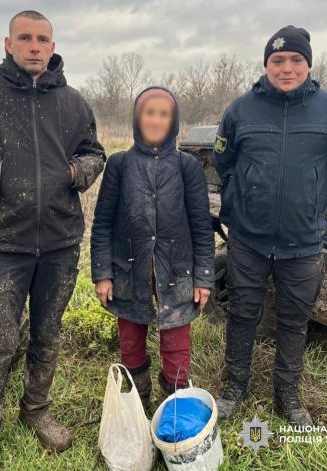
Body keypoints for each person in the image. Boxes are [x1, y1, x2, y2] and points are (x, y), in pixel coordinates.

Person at [0, 10, 105, 471]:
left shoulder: (73, 102)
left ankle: (36, 410)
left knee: (47, 336)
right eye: (25, 38)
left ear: (53, 46)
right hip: (0, 246)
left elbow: (94, 153)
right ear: (8, 44)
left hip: (59, 244)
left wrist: (73, 172)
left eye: (42, 39)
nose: (34, 46)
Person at [213, 25, 327, 426]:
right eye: (277, 60)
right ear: (266, 64)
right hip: (248, 241)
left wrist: (312, 194)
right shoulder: (240, 110)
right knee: (242, 314)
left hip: (303, 241)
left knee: (294, 320)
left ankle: (288, 394)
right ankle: (234, 387)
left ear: (308, 64)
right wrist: (243, 198)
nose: (286, 68)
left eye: (296, 60)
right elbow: (224, 162)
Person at [91, 87, 214, 408]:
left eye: (163, 114)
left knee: (176, 342)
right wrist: (103, 274)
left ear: (173, 120)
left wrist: (203, 277)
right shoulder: (119, 164)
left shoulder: (187, 167)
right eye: (149, 113)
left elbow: (202, 227)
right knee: (130, 339)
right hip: (129, 269)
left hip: (177, 270)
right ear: (137, 117)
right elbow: (102, 224)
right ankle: (137, 401)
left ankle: (173, 405)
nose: (156, 120)